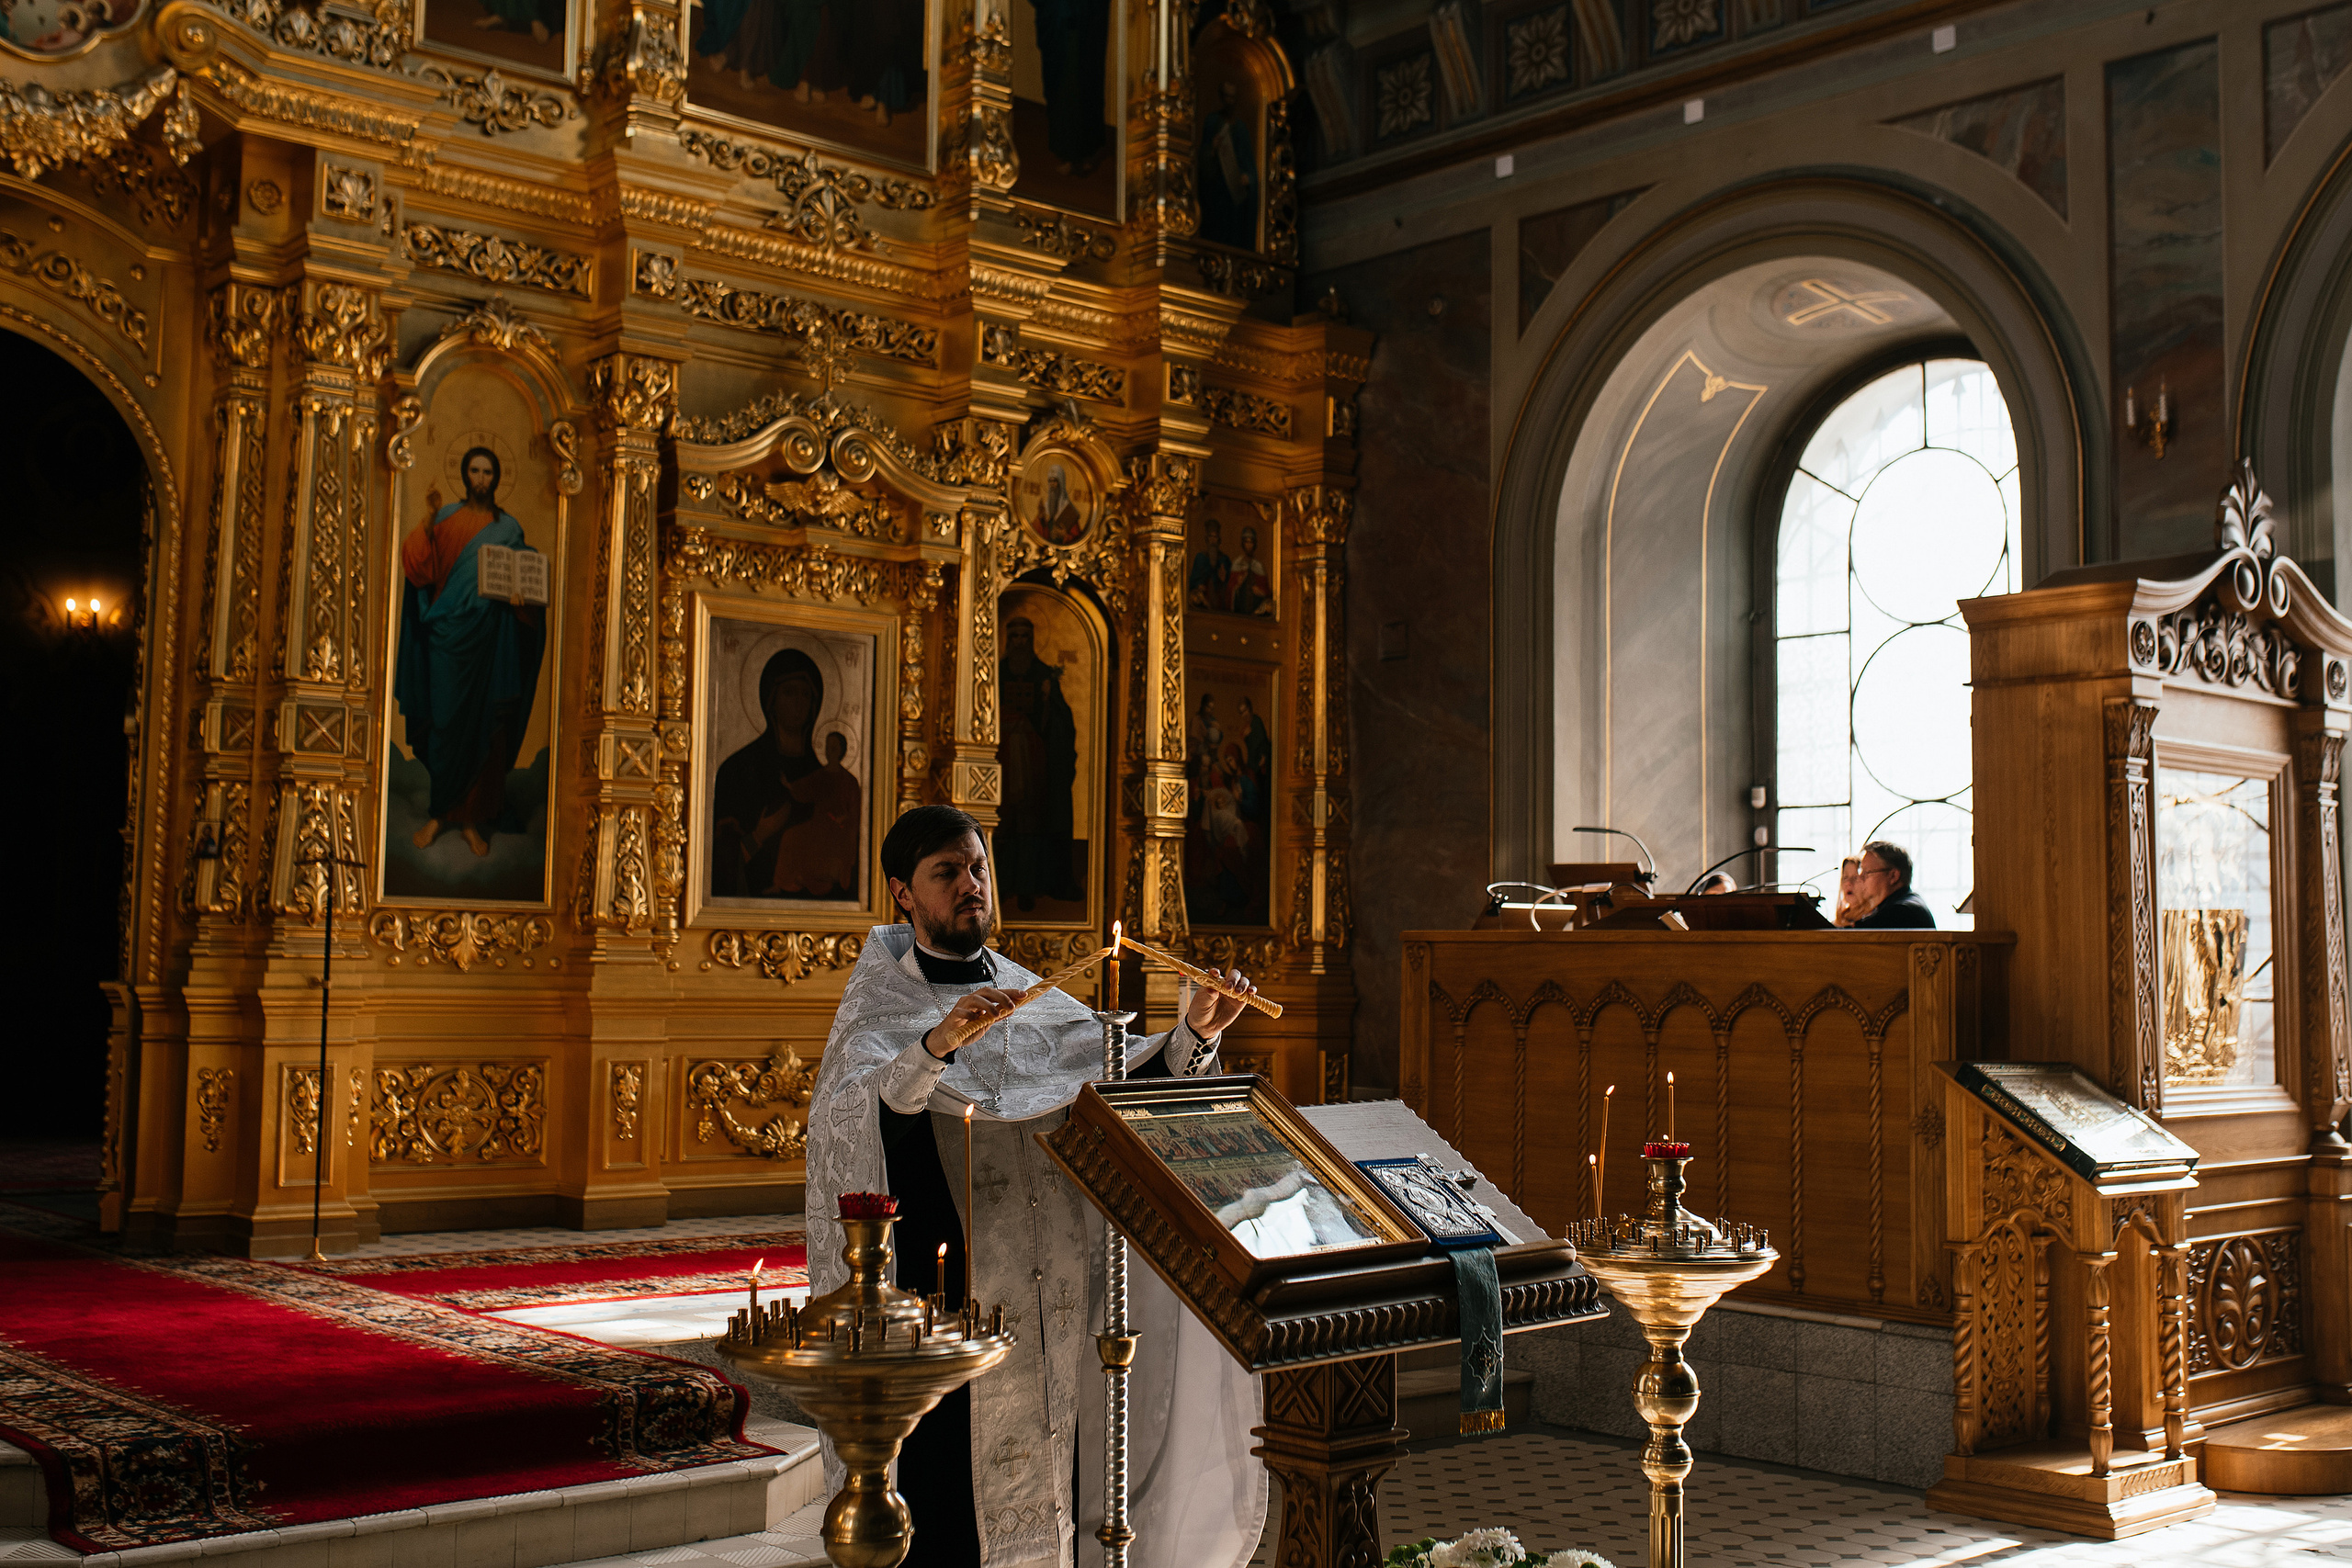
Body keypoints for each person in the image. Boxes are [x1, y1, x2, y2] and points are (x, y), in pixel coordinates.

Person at [805, 807, 1269, 1568]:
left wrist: (1196, 1034)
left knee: (1060, 1481)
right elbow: (855, 1126)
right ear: (902, 892)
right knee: (947, 1504)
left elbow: (1112, 1082)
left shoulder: (1031, 994)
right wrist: (936, 1046)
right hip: (945, 1306)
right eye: (946, 873)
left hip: (1051, 1298)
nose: (970, 885)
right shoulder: (878, 1010)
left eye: (977, 867)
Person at [395, 447, 545, 858]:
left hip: (489, 641)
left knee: (485, 729)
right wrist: (427, 518)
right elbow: (417, 566)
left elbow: (527, 578)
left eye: (488, 472)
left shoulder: (509, 528)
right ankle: (440, 814)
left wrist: (521, 599)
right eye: (475, 471)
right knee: (446, 725)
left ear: (496, 479)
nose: (481, 478)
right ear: (465, 475)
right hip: (446, 636)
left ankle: (470, 821)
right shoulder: (445, 520)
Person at [712, 648, 848, 898]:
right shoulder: (737, 770)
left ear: (814, 704)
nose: (798, 702)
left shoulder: (828, 777)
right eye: (789, 692)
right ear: (771, 700)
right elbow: (717, 867)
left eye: (805, 694)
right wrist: (760, 835)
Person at [995, 615, 1080, 908]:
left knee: (1032, 819)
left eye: (1025, 637)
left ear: (1031, 641)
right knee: (1005, 819)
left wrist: (1046, 702)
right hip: (1003, 760)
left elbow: (1061, 723)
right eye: (1015, 636)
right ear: (1009, 640)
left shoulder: (1044, 674)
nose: (1020, 642)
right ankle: (1001, 884)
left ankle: (1030, 885)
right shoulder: (997, 672)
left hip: (1034, 760)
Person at [1840, 840, 1935, 929]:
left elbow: (1853, 937)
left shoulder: (1901, 912)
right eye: (1861, 871)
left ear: (1893, 876)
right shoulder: (1902, 904)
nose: (1860, 878)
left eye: (1868, 872)